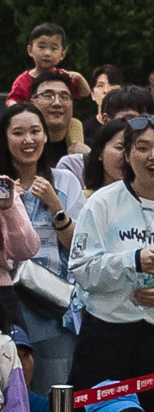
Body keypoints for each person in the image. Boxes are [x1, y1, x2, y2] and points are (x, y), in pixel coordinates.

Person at [67, 114, 154, 396]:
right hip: (106, 337)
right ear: (128, 156)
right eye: (142, 148)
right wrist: (131, 261)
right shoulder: (101, 204)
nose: (153, 156)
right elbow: (80, 267)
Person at [3, 100, 76, 395]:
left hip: (53, 307)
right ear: (4, 138)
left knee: (53, 401)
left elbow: (79, 247)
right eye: (18, 133)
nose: (28, 140)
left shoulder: (65, 180)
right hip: (8, 304)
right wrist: (9, 207)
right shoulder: (2, 186)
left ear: (46, 136)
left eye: (35, 131)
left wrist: (56, 206)